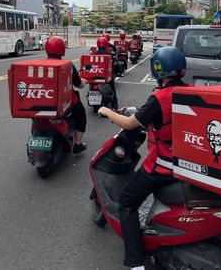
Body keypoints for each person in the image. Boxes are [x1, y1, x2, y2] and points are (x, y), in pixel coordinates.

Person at [98, 46, 188, 270]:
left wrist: (107, 111)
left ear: (158, 71)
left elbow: (130, 124)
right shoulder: (190, 92)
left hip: (162, 167)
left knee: (127, 203)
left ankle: (135, 263)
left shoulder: (159, 98)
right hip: (187, 164)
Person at [45, 35, 87, 154]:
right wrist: (83, 82)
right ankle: (77, 144)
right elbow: (79, 85)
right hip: (65, 102)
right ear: (62, 49)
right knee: (81, 115)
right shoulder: (68, 66)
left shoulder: (39, 65)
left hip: (43, 101)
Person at [93, 36, 118, 110]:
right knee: (113, 88)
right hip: (106, 78)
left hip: (94, 77)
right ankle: (114, 105)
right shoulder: (109, 54)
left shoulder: (93, 54)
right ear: (106, 44)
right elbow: (114, 64)